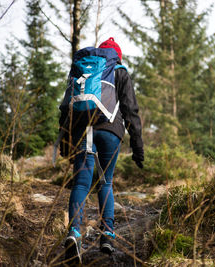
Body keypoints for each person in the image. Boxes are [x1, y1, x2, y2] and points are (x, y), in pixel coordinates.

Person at [64, 37, 144, 264]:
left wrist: (65, 142)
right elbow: (131, 111)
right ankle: (107, 235)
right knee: (106, 182)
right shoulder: (120, 71)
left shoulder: (82, 70)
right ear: (116, 55)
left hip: (84, 129)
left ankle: (74, 232)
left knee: (81, 183)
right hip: (110, 130)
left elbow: (65, 106)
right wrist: (137, 146)